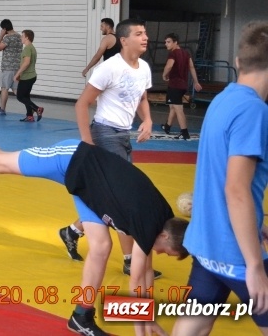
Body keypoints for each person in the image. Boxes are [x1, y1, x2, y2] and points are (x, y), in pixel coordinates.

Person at [0, 112, 189, 336]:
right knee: (0, 163)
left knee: (101, 246)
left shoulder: (161, 219)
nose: (160, 253)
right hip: (70, 159)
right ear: (166, 236)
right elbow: (136, 283)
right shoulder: (148, 225)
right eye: (166, 251)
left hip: (90, 188)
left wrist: (152, 322)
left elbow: (146, 278)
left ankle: (81, 317)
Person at [172, 21, 268, 336]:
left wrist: (255, 222)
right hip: (237, 253)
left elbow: (221, 176)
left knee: (192, 328)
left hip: (207, 245)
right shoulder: (254, 110)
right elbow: (236, 190)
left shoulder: (224, 98)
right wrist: (255, 265)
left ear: (239, 62)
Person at [61, 18, 156, 278]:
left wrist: (147, 119)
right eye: (139, 33)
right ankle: (128, 260)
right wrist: (88, 144)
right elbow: (82, 104)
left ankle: (73, 230)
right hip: (104, 135)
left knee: (112, 196)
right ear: (124, 40)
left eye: (145, 33)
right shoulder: (109, 68)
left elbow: (143, 98)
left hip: (123, 135)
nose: (145, 37)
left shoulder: (144, 68)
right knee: (122, 197)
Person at [160, 33, 202, 140]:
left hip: (175, 84)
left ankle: (184, 132)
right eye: (165, 42)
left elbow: (169, 66)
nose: (166, 44)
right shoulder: (186, 53)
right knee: (173, 106)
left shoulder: (173, 54)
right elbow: (191, 67)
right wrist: (196, 82)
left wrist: (164, 75)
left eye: (168, 42)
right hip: (183, 85)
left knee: (178, 108)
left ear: (175, 43)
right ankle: (167, 126)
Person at [0, 19, 23, 116]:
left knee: (4, 88)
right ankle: (31, 106)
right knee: (16, 89)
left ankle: (2, 110)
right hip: (17, 67)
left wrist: (1, 36)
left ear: (4, 29)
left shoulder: (7, 38)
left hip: (7, 67)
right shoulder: (19, 37)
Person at [14, 29, 43, 122]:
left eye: (22, 36)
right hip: (31, 76)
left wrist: (17, 73)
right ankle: (30, 116)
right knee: (26, 97)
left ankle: (37, 108)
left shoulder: (27, 48)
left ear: (27, 37)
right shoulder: (32, 47)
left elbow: (26, 63)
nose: (21, 38)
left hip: (27, 77)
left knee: (20, 96)